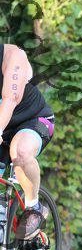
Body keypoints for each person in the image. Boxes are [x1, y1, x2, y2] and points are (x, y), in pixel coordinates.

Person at [0, 44, 54, 239]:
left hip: (34, 120)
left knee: (20, 151)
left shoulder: (13, 56)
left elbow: (10, 99)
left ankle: (33, 207)